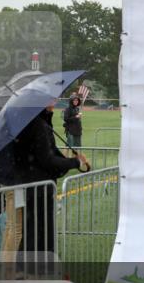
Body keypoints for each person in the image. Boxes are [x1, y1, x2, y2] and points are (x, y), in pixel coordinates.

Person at [7, 103, 89, 257]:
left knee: (33, 229)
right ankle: (31, 269)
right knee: (37, 231)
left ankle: (28, 268)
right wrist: (75, 162)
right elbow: (48, 160)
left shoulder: (31, 123)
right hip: (39, 187)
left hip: (31, 184)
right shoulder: (38, 126)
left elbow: (49, 154)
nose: (55, 100)